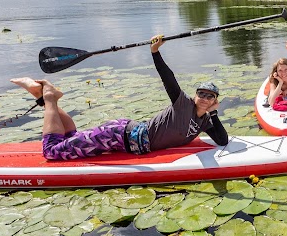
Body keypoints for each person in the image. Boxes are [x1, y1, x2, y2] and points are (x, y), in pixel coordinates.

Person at [11, 34, 228, 160]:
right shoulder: (183, 104)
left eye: (210, 96)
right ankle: (48, 96)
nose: (204, 98)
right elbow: (168, 78)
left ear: (214, 101)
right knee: (52, 152)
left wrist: (213, 114)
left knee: (71, 137)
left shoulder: (205, 121)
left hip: (124, 138)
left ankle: (47, 98)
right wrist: (155, 52)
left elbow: (222, 140)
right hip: (118, 135)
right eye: (201, 93)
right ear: (195, 95)